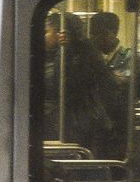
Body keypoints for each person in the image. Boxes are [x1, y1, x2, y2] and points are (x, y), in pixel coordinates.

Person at [43, 13, 122, 158]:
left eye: (46, 32)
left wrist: (66, 51)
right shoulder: (45, 57)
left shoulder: (80, 57)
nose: (42, 37)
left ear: (61, 33)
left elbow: (65, 86)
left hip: (75, 126)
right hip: (58, 124)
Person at [89, 11, 140, 104]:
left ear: (108, 33)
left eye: (95, 34)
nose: (92, 39)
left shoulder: (134, 59)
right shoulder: (90, 58)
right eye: (91, 35)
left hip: (121, 115)